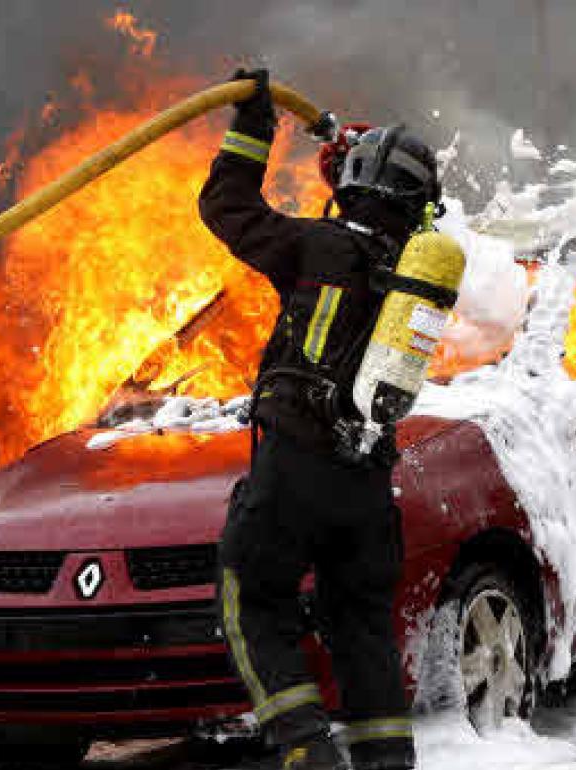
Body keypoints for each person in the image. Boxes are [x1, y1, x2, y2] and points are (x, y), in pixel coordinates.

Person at [199, 68, 441, 770]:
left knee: (252, 598)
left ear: (354, 187)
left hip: (297, 464)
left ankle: (304, 750)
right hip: (365, 478)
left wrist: (252, 127)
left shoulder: (316, 249)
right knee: (360, 623)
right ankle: (387, 760)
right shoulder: (414, 274)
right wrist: (348, 165)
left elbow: (227, 206)